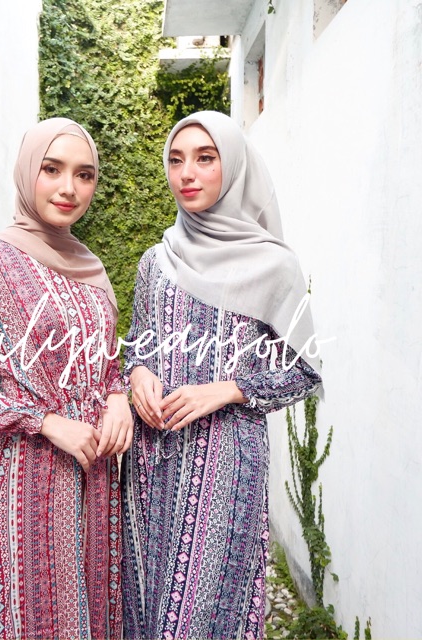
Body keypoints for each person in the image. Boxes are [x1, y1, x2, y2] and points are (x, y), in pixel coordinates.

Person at [120, 111, 322, 640]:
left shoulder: (274, 267)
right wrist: (137, 373)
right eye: (176, 160)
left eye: (205, 158)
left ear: (232, 167)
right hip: (152, 460)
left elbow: (304, 370)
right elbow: (138, 342)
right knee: (145, 605)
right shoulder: (155, 261)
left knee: (200, 615)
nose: (186, 173)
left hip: (226, 463)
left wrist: (228, 389)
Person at [0, 118, 132, 639]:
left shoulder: (91, 269)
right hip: (29, 480)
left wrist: (117, 397)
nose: (69, 188)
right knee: (31, 615)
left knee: (91, 616)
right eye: (52, 169)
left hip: (97, 479)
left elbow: (105, 362)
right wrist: (44, 421)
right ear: (26, 173)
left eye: (84, 174)